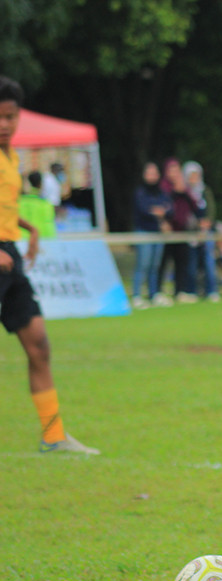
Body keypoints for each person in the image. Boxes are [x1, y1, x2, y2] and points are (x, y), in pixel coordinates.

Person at [0, 75, 98, 454]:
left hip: (11, 258)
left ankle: (54, 436)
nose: (5, 124)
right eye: (0, 117)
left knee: (39, 345)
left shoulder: (11, 158)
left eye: (11, 116)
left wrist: (30, 229)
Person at [158, 158, 202, 303]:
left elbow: (195, 206)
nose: (174, 173)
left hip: (182, 231)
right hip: (167, 232)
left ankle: (180, 291)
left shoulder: (184, 187)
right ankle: (158, 292)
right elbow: (164, 207)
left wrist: (183, 191)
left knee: (181, 262)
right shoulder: (164, 187)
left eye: (176, 170)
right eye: (171, 170)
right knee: (163, 262)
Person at [131, 161, 172, 308]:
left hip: (157, 233)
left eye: (154, 173)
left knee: (155, 266)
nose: (152, 176)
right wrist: (159, 212)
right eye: (149, 173)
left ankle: (154, 294)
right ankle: (137, 295)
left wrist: (159, 211)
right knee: (143, 264)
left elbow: (169, 208)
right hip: (144, 231)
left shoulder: (161, 192)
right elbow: (144, 210)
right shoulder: (140, 192)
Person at [182, 161, 220, 301]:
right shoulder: (184, 192)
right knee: (191, 262)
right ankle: (191, 291)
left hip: (206, 231)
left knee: (209, 261)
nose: (194, 178)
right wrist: (195, 224)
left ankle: (212, 290)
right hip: (191, 232)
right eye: (191, 176)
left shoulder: (205, 190)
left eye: (196, 175)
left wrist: (207, 222)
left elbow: (211, 209)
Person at [18, 172, 57, 239]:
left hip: (21, 240)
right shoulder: (46, 204)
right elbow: (49, 226)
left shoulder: (18, 203)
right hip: (43, 241)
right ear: (40, 184)